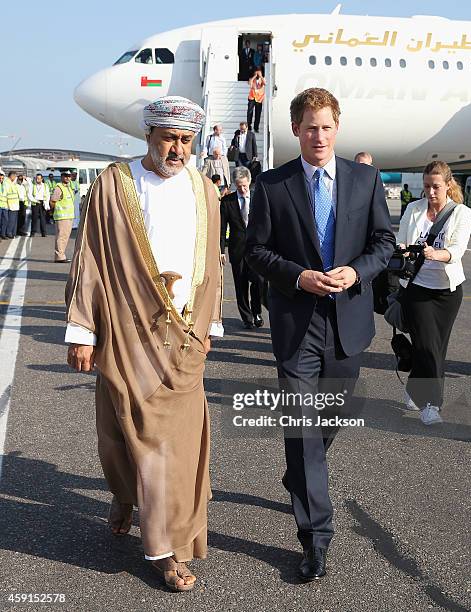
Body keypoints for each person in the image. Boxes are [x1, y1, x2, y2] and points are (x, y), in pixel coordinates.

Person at [65, 95, 223, 593]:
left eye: (186, 141)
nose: (177, 149)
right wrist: (82, 331)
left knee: (172, 442)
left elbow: (213, 264)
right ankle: (124, 493)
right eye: (168, 138)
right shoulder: (115, 184)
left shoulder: (206, 190)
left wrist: (211, 324)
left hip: (184, 335)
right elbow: (89, 254)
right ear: (148, 137)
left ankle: (167, 548)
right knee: (118, 433)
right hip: (124, 329)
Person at [246, 87, 395, 581]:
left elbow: (383, 242)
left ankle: (299, 474)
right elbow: (255, 251)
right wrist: (297, 276)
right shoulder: (273, 184)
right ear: (296, 130)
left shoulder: (365, 179)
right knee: (304, 427)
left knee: (329, 421)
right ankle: (316, 538)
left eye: (327, 126)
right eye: (310, 127)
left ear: (338, 127)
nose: (319, 135)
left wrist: (356, 273)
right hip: (296, 324)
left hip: (348, 322)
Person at [397, 161, 471, 425]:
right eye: (427, 186)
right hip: (417, 288)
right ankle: (431, 404)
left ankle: (414, 388)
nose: (430, 192)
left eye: (436, 187)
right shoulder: (413, 209)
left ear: (448, 185)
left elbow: (457, 250)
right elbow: (401, 240)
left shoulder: (461, 213)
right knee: (427, 345)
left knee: (435, 348)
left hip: (447, 293)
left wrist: (434, 253)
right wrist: (405, 249)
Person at [221, 166, 264, 329]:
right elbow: (222, 227)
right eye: (239, 186)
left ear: (249, 181)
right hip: (237, 249)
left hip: (257, 249)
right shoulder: (227, 201)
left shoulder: (258, 197)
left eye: (244, 185)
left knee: (259, 281)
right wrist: (221, 250)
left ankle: (257, 312)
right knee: (240, 284)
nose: (242, 189)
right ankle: (247, 318)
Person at [49, 171, 75, 262]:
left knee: (65, 237)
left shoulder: (68, 187)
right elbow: (52, 201)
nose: (67, 178)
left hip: (68, 216)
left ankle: (61, 255)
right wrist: (52, 211)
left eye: (69, 176)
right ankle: (59, 257)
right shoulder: (59, 188)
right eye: (65, 176)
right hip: (62, 216)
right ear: (62, 177)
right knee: (61, 237)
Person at [247, 69, 266, 133]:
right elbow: (249, 83)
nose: (257, 74)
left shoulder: (262, 79)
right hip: (252, 98)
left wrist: (260, 76)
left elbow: (265, 83)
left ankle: (256, 127)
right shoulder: (252, 79)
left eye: (258, 73)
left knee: (258, 114)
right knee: (250, 113)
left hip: (259, 99)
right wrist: (254, 76)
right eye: (256, 73)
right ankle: (249, 126)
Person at [0, 168, 8, 239]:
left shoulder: (5, 185)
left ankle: (3, 234)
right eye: (0, 178)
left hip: (5, 206)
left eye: (2, 178)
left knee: (5, 221)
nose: (1, 179)